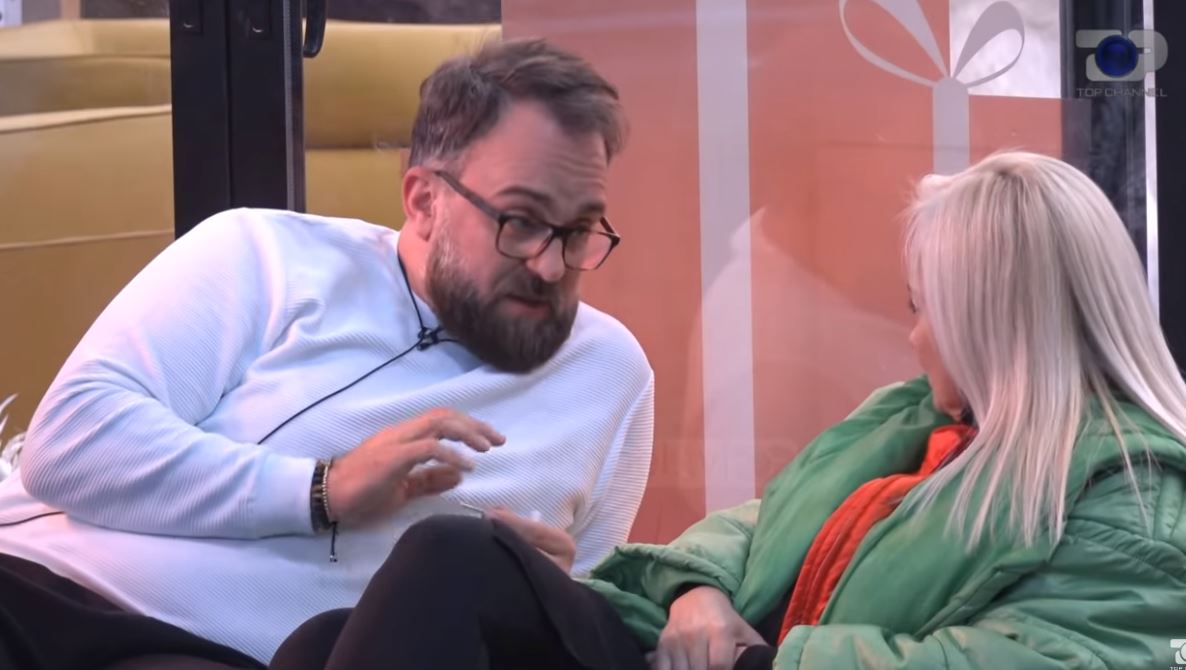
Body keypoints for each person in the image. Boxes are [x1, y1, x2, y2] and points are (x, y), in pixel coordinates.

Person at [330, 150, 1186, 670]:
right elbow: (753, 527)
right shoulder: (914, 422)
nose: (914, 337)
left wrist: (757, 657)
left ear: (994, 327)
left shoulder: (1135, 497)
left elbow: (1047, 659)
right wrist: (695, 594)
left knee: (455, 561)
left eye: (924, 310)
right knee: (328, 641)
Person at [0, 37, 654, 669]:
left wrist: (542, 597)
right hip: (44, 594)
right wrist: (322, 488)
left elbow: (593, 606)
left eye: (578, 230)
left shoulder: (607, 375)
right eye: (521, 222)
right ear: (425, 200)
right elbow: (71, 443)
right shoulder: (266, 254)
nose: (550, 266)